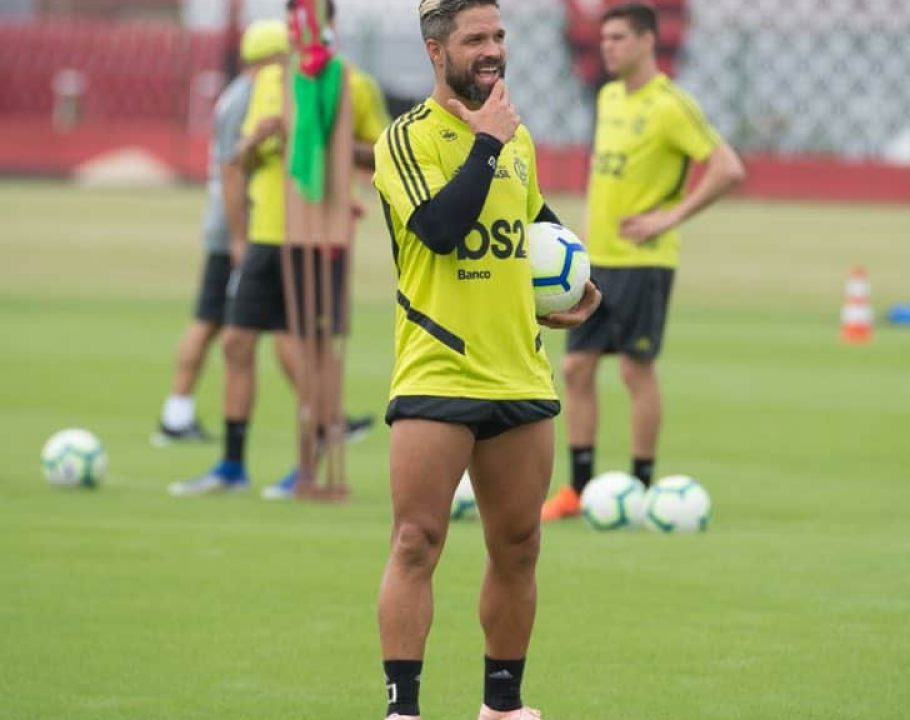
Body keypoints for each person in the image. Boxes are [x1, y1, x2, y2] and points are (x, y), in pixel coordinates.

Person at [371, 2, 600, 718]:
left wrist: (583, 284)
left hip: (518, 371)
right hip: (438, 369)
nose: (492, 50)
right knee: (417, 542)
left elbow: (538, 227)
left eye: (498, 36)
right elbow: (439, 229)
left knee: (520, 544)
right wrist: (487, 144)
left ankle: (502, 706)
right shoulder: (406, 139)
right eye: (476, 39)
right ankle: (402, 709)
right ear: (437, 52)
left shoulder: (516, 141)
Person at [169, 0, 389, 499]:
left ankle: (307, 466)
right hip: (267, 230)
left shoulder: (351, 82)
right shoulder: (270, 82)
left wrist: (340, 164)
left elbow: (381, 153)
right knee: (237, 342)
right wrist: (259, 143)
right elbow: (239, 158)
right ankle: (231, 464)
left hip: (318, 231)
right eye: (293, 19)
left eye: (307, 17)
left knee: (310, 351)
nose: (298, 28)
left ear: (328, 23)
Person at [541, 2, 745, 521]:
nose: (605, 47)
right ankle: (579, 488)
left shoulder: (670, 105)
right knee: (576, 366)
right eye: (603, 38)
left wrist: (667, 219)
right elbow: (602, 178)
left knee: (635, 371)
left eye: (617, 39)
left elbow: (727, 169)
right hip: (597, 260)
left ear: (646, 42)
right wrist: (581, 240)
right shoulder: (608, 97)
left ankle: (641, 486)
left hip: (644, 262)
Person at [152, 20, 290, 446]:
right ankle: (325, 421)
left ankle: (176, 415)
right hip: (238, 226)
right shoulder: (249, 97)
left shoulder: (234, 94)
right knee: (234, 323)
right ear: (271, 57)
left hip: (230, 223)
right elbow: (233, 170)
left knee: (211, 321)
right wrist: (239, 238)